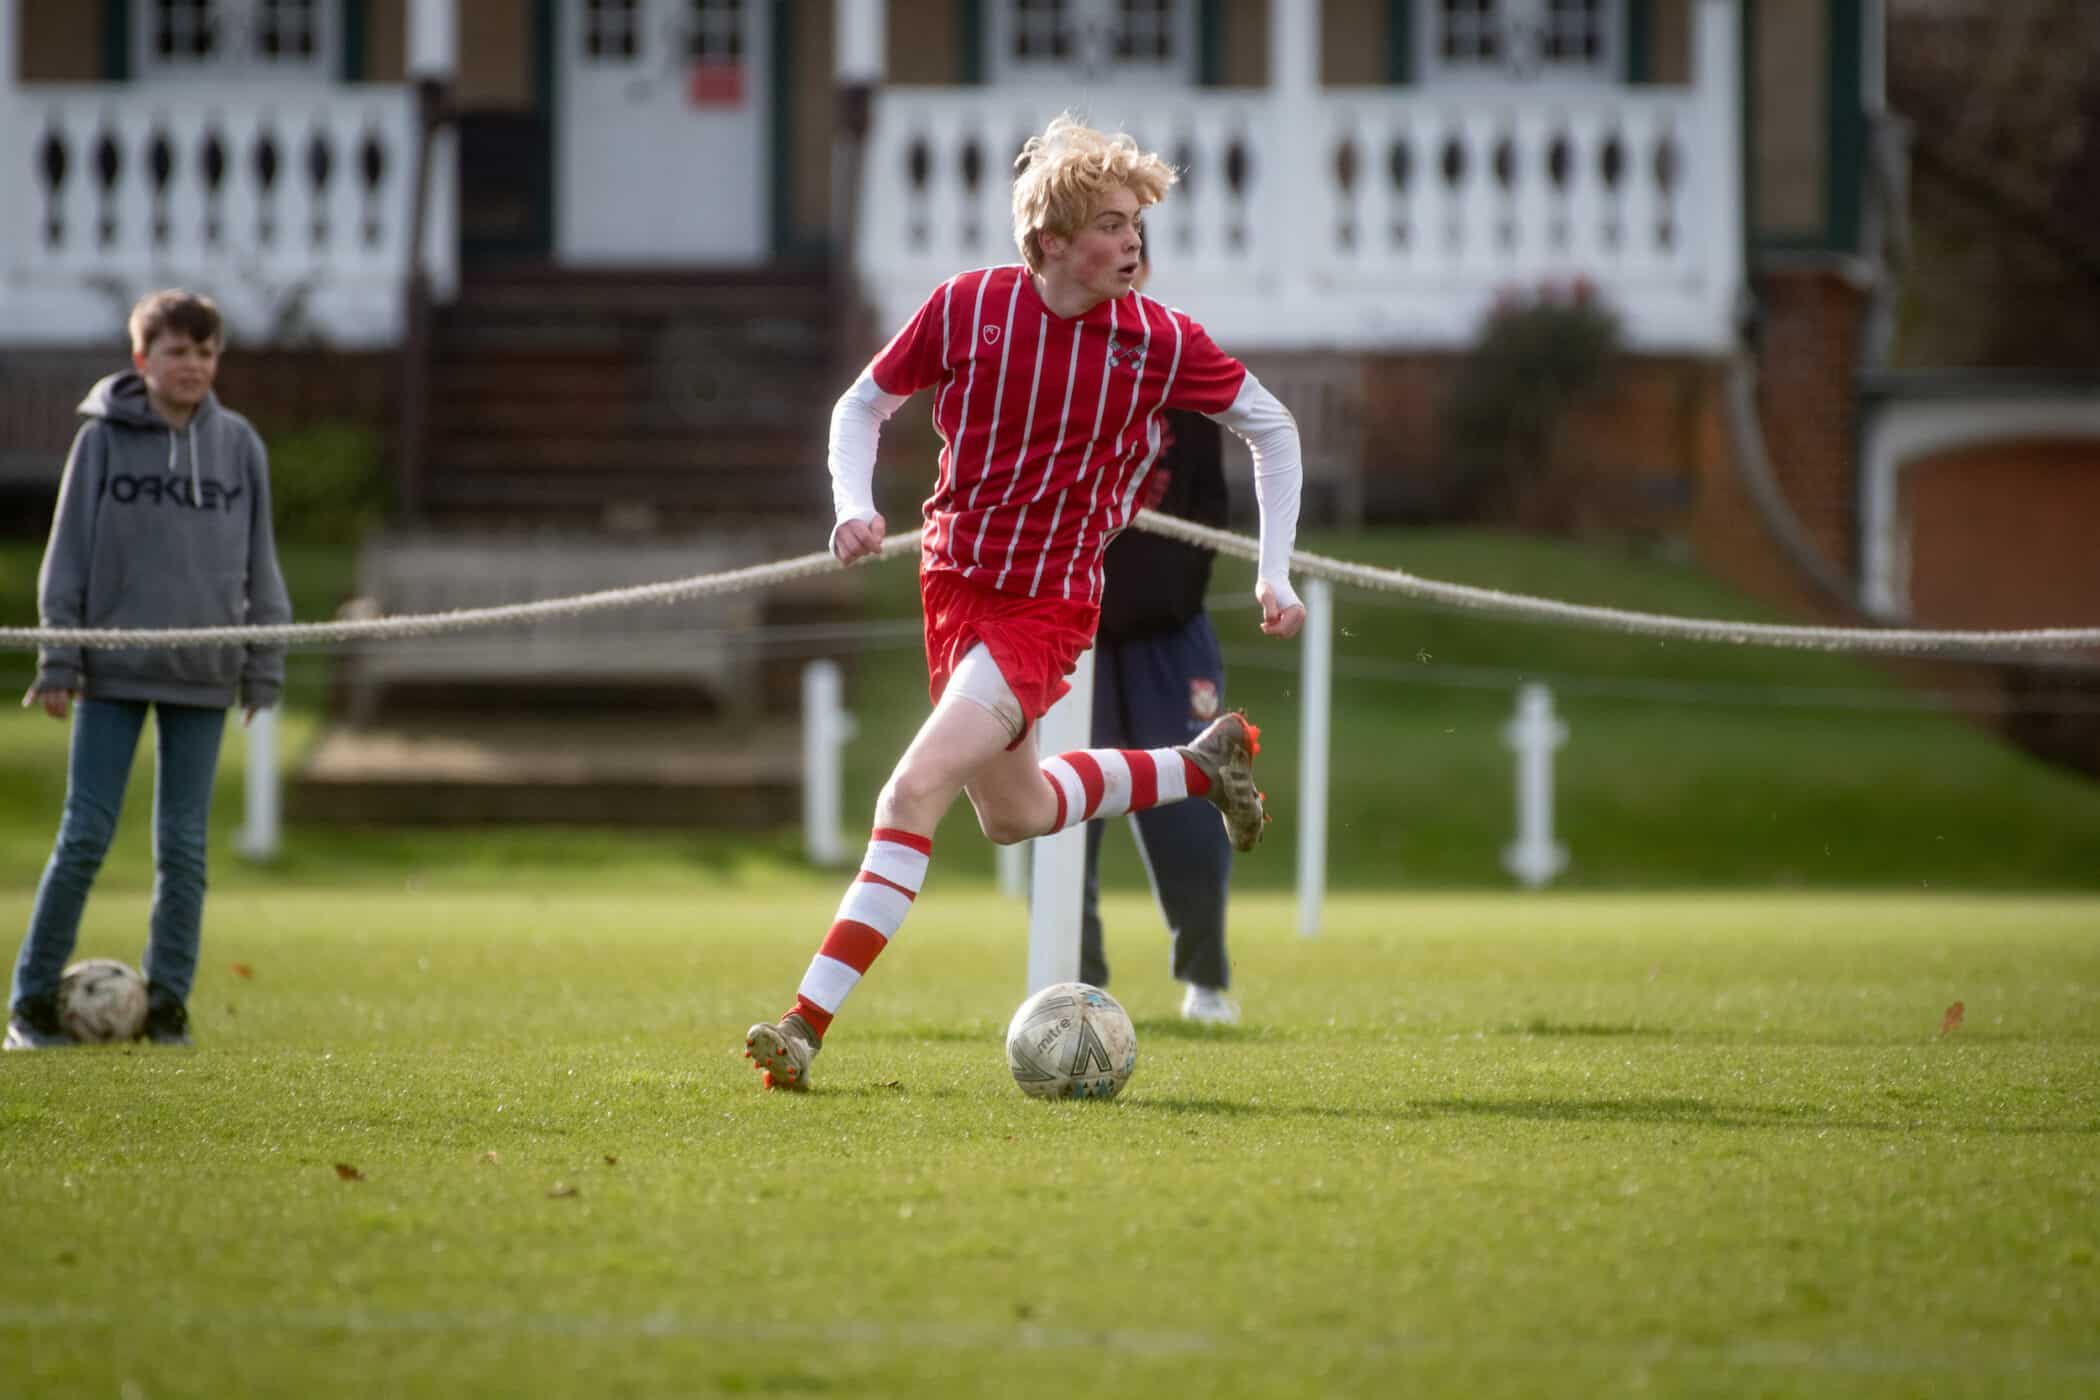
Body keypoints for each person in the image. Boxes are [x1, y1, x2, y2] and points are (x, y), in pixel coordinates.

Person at [743, 115, 1305, 1090]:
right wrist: (853, 503)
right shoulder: (969, 309)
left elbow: (1273, 426)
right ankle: (1200, 767)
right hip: (953, 586)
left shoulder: (1159, 341)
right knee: (1016, 812)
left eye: (1138, 223)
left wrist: (1273, 568)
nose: (1133, 241)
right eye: (1110, 223)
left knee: (909, 793)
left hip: (1044, 608)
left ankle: (802, 1022)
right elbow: (861, 403)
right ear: (1049, 243)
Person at [5, 289, 291, 1051]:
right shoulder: (99, 443)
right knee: (87, 834)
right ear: (142, 359)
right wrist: (59, 657)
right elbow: (65, 558)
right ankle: (30, 1005)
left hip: (201, 675)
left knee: (185, 849)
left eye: (204, 352)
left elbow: (262, 566)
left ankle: (167, 1004)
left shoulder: (239, 447)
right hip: (111, 674)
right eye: (175, 351)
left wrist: (262, 668)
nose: (192, 365)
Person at [1078, 237, 1240, 1025]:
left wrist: (1170, 593)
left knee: (1188, 806)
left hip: (1169, 636)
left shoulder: (1176, 355)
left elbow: (1211, 500)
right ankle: (1074, 988)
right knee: (1062, 810)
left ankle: (1205, 980)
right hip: (1066, 633)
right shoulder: (1052, 357)